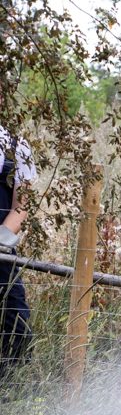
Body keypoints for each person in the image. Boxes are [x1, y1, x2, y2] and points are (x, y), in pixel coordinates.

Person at [0, 125, 36, 380]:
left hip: (1, 246)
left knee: (16, 319)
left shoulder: (16, 146)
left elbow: (22, 205)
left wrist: (2, 238)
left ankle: (10, 384)